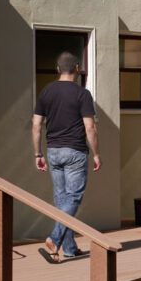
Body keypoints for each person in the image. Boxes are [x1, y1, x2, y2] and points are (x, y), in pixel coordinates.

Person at [31, 51, 100, 262]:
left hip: (53, 151)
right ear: (77, 68)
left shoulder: (46, 92)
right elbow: (90, 127)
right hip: (75, 152)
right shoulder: (82, 94)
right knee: (74, 198)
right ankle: (54, 237)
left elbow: (36, 125)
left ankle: (69, 247)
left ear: (58, 69)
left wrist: (37, 153)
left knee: (62, 200)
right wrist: (96, 154)